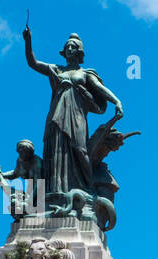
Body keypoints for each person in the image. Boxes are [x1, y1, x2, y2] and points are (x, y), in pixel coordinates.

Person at [23, 26, 124, 197]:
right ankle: (56, 192)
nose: (69, 49)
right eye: (67, 47)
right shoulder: (56, 69)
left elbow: (100, 89)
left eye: (73, 47)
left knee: (80, 149)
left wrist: (116, 101)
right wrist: (28, 41)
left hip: (76, 116)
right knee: (56, 151)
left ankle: (87, 188)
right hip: (57, 115)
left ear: (79, 52)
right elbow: (33, 62)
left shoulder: (84, 73)